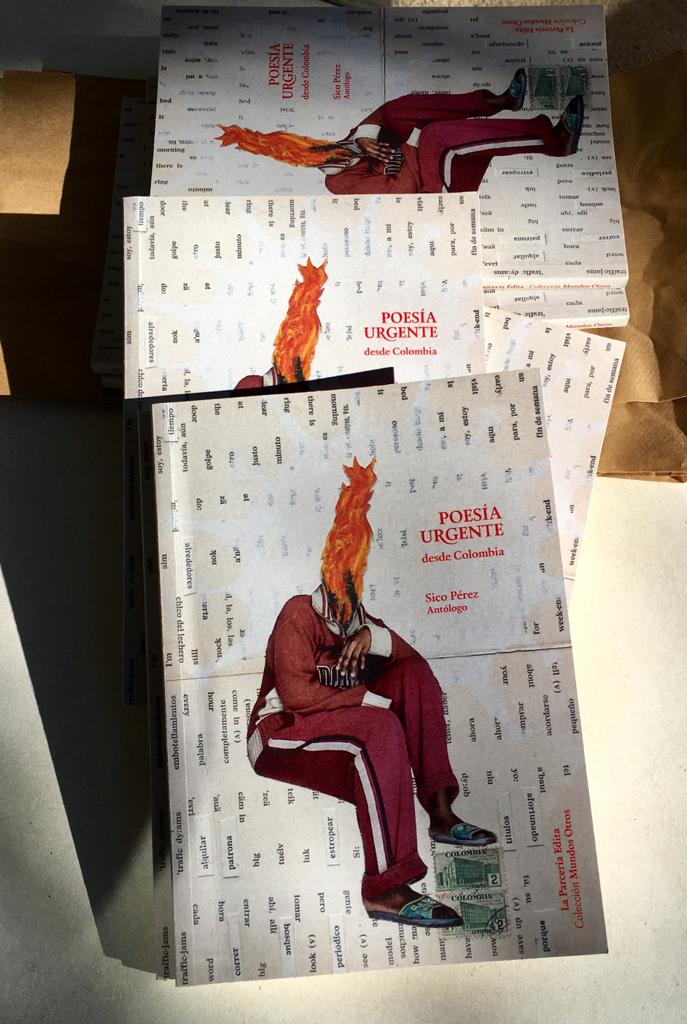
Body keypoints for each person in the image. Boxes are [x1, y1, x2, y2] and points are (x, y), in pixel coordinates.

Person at [246, 458, 497, 928]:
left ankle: (441, 813)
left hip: (332, 730)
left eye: (356, 575)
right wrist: (369, 700)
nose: (348, 585)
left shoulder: (361, 622)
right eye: (341, 574)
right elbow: (297, 696)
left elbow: (418, 671)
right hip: (280, 735)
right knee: (378, 725)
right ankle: (386, 889)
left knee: (411, 679)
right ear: (327, 572)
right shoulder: (299, 613)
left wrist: (375, 638)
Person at [217, 70, 584, 196]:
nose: (330, 150)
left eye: (315, 143)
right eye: (318, 154)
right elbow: (403, 193)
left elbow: (385, 117)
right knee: (435, 137)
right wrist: (404, 149)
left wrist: (365, 136)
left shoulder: (351, 144)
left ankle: (497, 102)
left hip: (426, 164)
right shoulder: (339, 184)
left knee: (396, 110)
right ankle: (555, 142)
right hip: (435, 196)